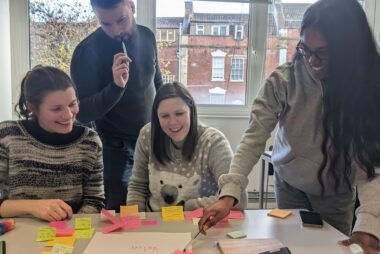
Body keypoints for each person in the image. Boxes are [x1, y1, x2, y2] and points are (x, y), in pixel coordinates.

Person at [199, 0, 380, 252]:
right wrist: (229, 193)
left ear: (350, 50)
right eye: (305, 49)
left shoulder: (369, 88)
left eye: (323, 52)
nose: (312, 61)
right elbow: (254, 137)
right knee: (288, 248)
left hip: (335, 192)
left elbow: (372, 166)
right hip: (289, 184)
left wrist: (368, 225)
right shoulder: (284, 79)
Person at [71, 0, 163, 211]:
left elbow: (156, 83)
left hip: (152, 140)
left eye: (121, 20)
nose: (116, 30)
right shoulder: (87, 52)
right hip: (116, 149)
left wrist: (166, 120)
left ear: (132, 7)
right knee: (121, 214)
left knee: (156, 209)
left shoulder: (147, 36)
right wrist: (116, 86)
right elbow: (82, 113)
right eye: (106, 24)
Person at [0, 65, 105, 222]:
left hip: (70, 234)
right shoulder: (7, 135)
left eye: (72, 104)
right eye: (56, 109)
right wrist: (32, 207)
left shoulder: (90, 142)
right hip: (18, 232)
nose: (68, 115)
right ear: (32, 108)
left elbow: (95, 201)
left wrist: (68, 229)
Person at [126, 82, 238, 211]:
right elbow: (137, 186)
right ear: (156, 116)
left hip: (200, 222)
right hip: (155, 220)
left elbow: (237, 198)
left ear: (191, 110)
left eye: (179, 113)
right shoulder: (147, 135)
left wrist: (186, 207)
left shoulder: (214, 142)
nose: (173, 122)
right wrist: (134, 220)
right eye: (165, 116)